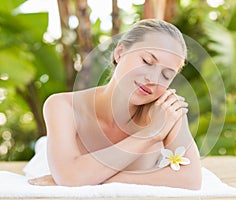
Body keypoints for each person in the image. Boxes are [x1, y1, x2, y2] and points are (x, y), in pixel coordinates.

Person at [28, 19, 202, 190]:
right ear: (120, 52)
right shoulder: (63, 106)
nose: (153, 79)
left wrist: (91, 178)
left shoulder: (167, 110)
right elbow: (69, 175)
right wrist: (150, 134)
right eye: (147, 61)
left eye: (166, 75)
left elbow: (191, 179)